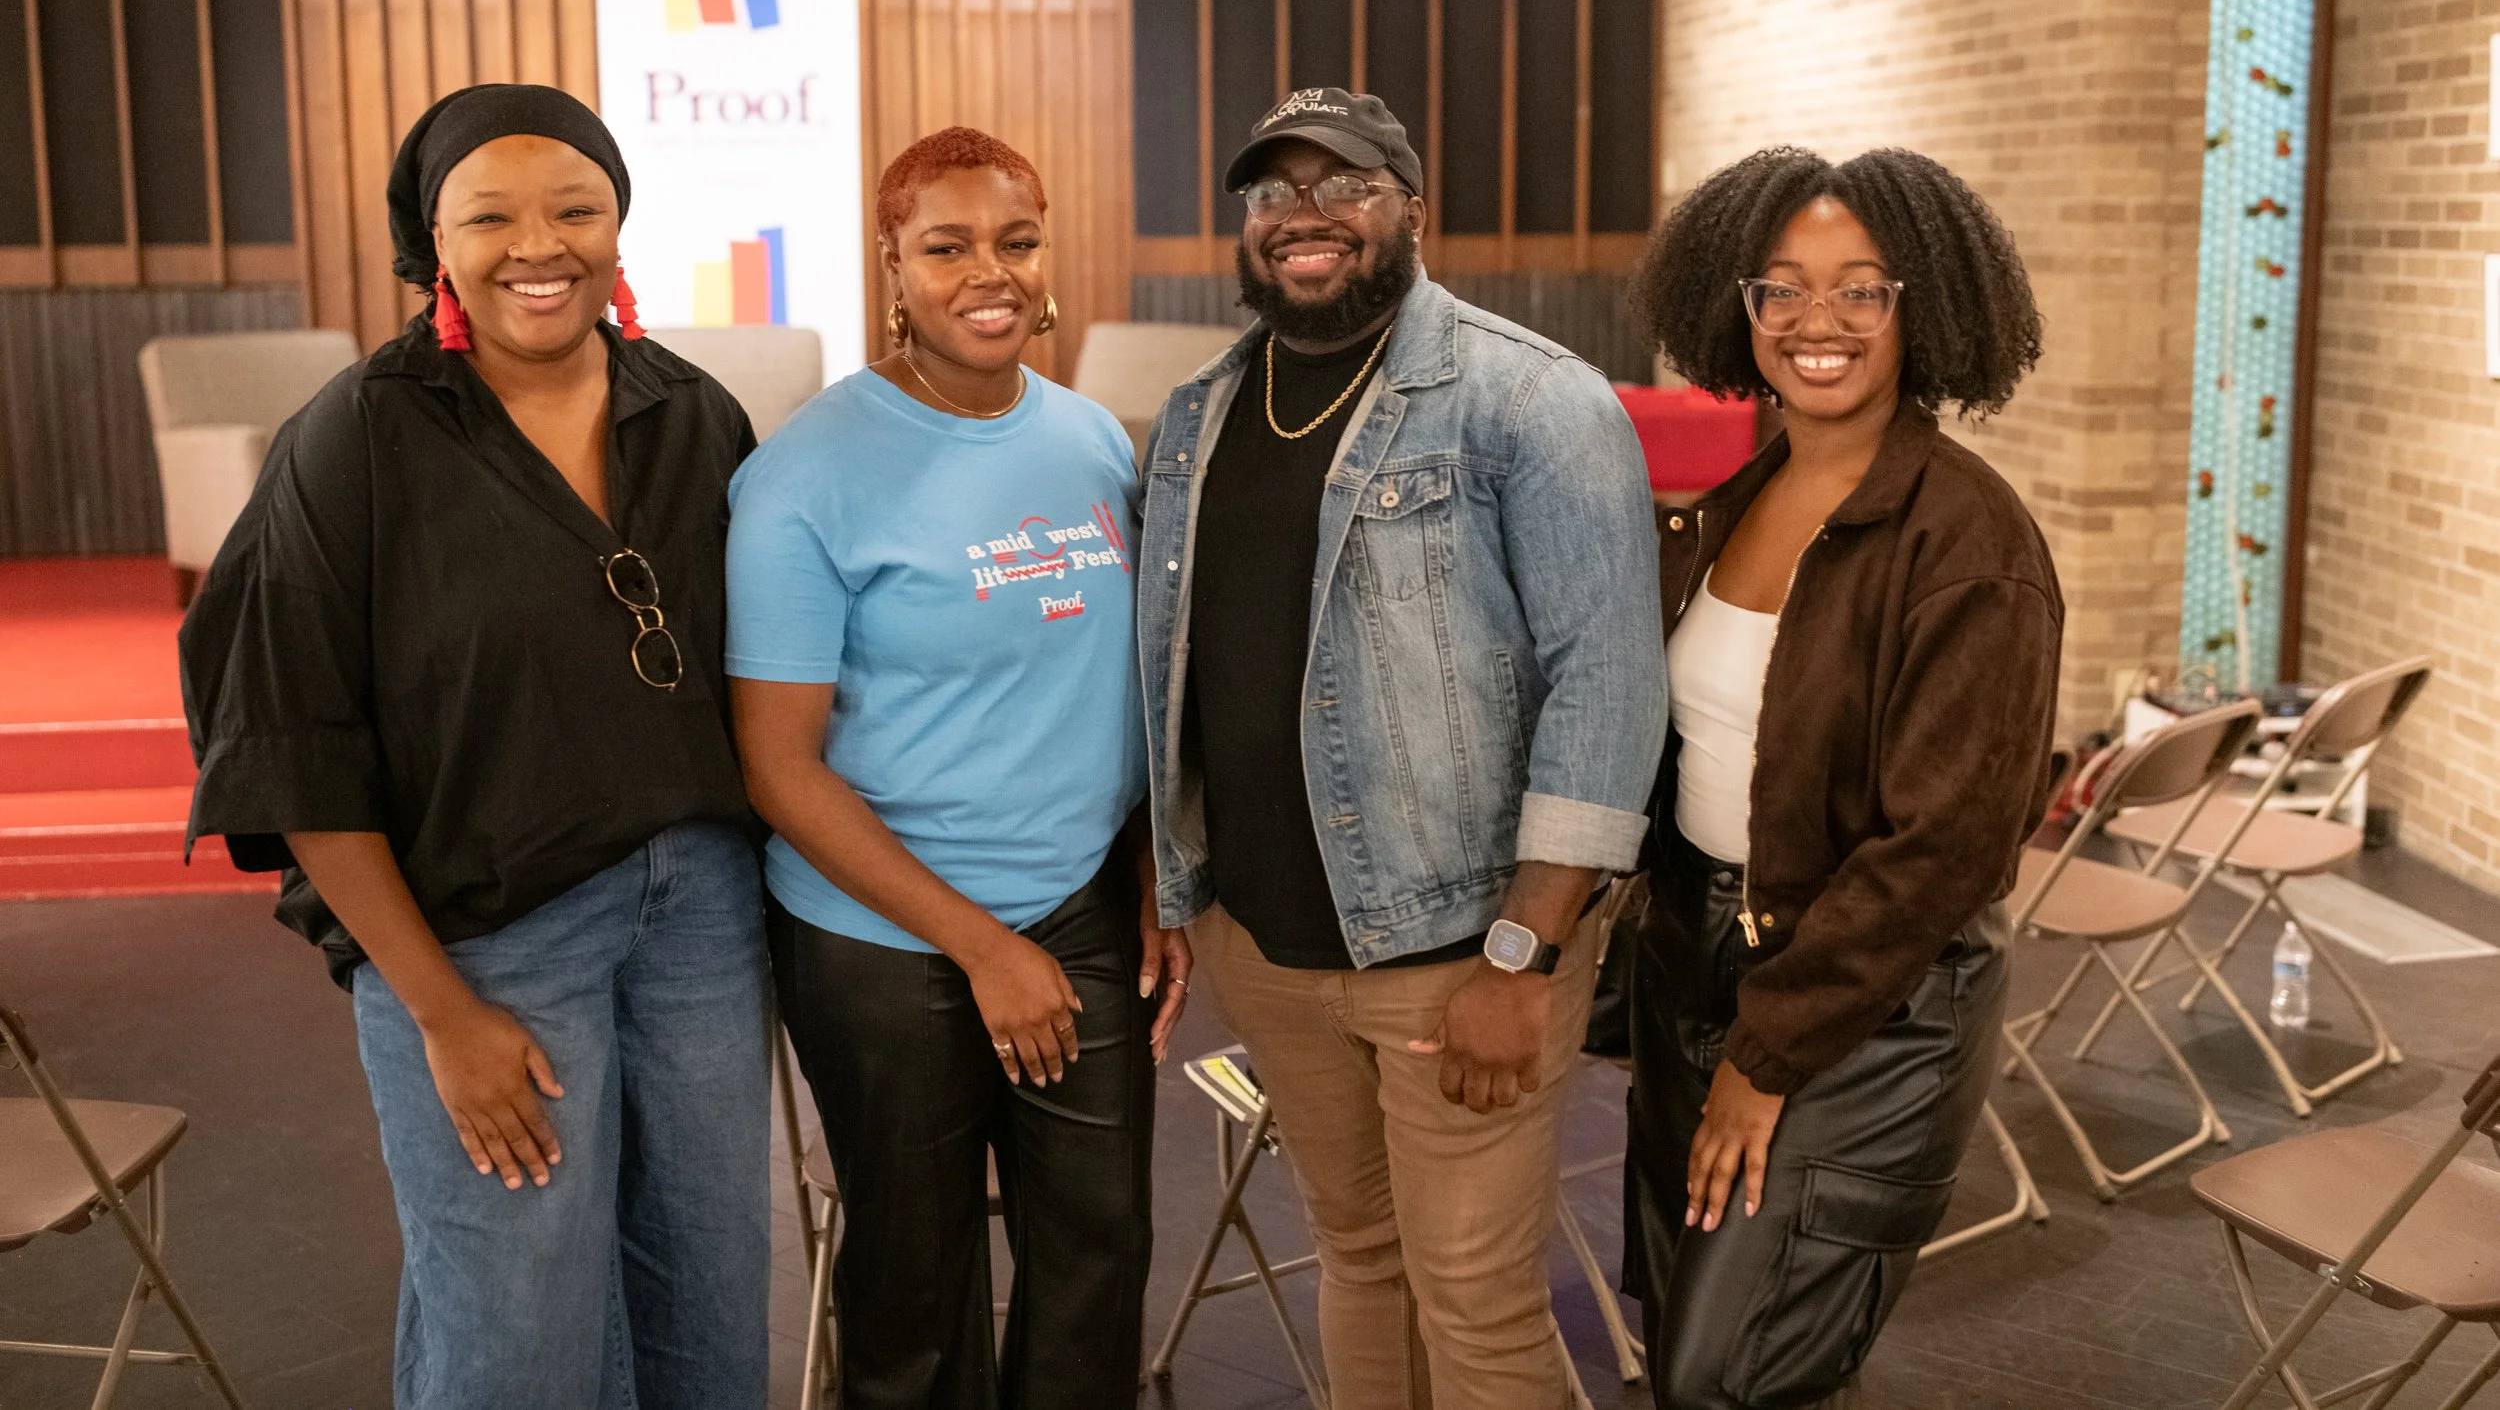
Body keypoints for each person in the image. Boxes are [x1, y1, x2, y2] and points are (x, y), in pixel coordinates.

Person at [179, 84, 771, 1410]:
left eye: (576, 207)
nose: (537, 244)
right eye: (488, 215)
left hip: (703, 909)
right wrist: (442, 1011)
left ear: (620, 227)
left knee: (711, 1287)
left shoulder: (693, 412)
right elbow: (289, 739)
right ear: (430, 241)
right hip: (485, 931)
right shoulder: (359, 438)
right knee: (516, 1326)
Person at [1135, 88, 1667, 1410]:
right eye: (1273, 189)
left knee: (1479, 1310)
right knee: (1361, 1261)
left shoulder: (1532, 399)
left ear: (1410, 207)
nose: (1305, 211)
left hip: (1456, 957)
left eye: (1346, 181)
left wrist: (1523, 952)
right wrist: (1188, 894)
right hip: (1267, 948)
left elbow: (1610, 689)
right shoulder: (1196, 414)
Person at [727, 126, 1186, 1410]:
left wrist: (1151, 871)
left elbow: (1128, 692)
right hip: (883, 946)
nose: (989, 271)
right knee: (914, 1295)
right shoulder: (804, 476)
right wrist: (983, 949)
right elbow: (777, 765)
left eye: (1016, 240)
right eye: (947, 245)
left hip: (1080, 916)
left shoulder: (1094, 438)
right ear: (893, 268)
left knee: (1097, 1264)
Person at [1622, 146, 2063, 1408]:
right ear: (1738, 303)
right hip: (1698, 964)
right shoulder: (1731, 499)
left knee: (1732, 1367)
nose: (1817, 320)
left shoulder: (1969, 539)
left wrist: (1765, 1056)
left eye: (1862, 289)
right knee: (1686, 1330)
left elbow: (1945, 849)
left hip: (1868, 1000)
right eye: (1783, 287)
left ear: (1925, 310)